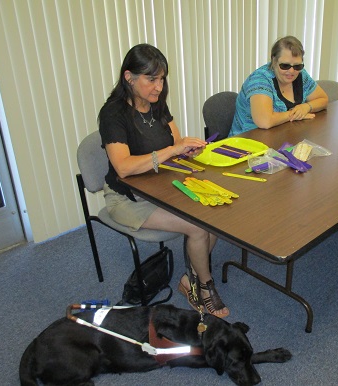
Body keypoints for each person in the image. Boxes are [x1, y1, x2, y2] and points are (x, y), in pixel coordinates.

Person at [97, 43, 229, 318]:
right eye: (151, 79)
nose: (159, 86)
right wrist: (171, 151)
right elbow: (123, 167)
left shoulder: (157, 105)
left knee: (214, 213)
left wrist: (186, 147)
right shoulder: (113, 114)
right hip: (127, 198)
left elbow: (175, 141)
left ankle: (190, 277)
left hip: (161, 185)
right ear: (129, 77)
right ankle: (204, 287)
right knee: (197, 226)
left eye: (162, 79)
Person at [229, 36, 329, 136]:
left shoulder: (301, 74)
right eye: (285, 66)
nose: (291, 71)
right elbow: (265, 121)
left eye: (297, 66)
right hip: (246, 143)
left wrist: (306, 107)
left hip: (283, 136)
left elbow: (323, 99)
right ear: (274, 61)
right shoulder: (260, 79)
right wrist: (295, 113)